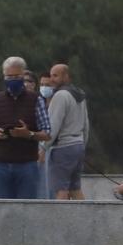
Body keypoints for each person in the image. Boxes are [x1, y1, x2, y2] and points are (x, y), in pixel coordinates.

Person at [0, 57, 50, 200]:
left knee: (26, 206)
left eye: (16, 76)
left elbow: (47, 133)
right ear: (4, 77)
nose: (13, 80)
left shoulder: (36, 100)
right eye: (9, 77)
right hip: (1, 165)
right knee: (4, 207)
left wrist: (28, 134)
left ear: (23, 75)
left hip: (27, 165)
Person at [44, 63, 88, 200]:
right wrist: (83, 144)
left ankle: (61, 214)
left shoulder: (60, 96)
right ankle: (85, 213)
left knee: (61, 190)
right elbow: (86, 124)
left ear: (66, 77)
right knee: (75, 189)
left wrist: (43, 147)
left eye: (55, 76)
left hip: (63, 148)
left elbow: (53, 125)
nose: (51, 79)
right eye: (51, 75)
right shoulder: (79, 95)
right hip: (78, 145)